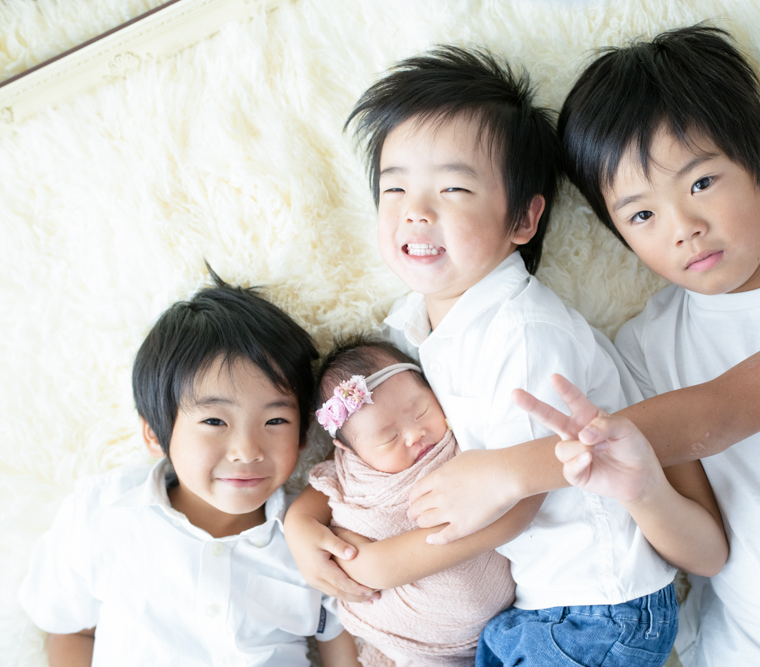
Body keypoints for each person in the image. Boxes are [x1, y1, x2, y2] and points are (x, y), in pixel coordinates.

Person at [418, 24, 760, 666]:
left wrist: (510, 471)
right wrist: (642, 491)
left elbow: (718, 414)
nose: (684, 228)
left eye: (701, 183)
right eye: (642, 215)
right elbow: (704, 552)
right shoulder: (644, 346)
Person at [284, 46, 728, 666]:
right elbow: (357, 448)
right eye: (395, 188)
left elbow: (518, 501)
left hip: (594, 606)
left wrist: (380, 565)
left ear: (522, 218)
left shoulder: (522, 333)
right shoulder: (411, 332)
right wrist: (302, 522)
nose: (416, 211)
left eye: (453, 188)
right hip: (535, 609)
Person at [18, 270, 359, 667]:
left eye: (275, 421)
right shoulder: (104, 511)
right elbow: (69, 627)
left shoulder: (313, 537)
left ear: (303, 434)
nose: (247, 451)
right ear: (155, 433)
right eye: (214, 421)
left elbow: (341, 643)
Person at [305, 336, 515, 666]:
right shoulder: (353, 476)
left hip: (507, 625)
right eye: (388, 438)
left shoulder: (465, 435)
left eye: (421, 412)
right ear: (349, 451)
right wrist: (299, 522)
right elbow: (322, 496)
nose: (415, 434)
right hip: (406, 641)